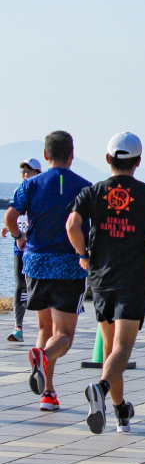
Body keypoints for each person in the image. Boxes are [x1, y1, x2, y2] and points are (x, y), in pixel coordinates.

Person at [67, 132, 145, 434]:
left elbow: (72, 225)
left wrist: (83, 255)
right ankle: (101, 388)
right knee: (122, 349)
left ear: (107, 159)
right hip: (134, 279)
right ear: (139, 162)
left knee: (112, 349)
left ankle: (120, 411)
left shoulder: (93, 192)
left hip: (100, 278)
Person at [3, 132, 91, 412]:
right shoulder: (85, 187)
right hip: (70, 265)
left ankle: (48, 393)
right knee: (63, 335)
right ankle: (42, 359)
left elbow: (10, 216)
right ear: (72, 155)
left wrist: (19, 236)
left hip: (36, 264)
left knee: (44, 328)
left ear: (45, 155)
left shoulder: (30, 185)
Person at [2, 158, 42, 342]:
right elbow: (13, 216)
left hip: (38, 247)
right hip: (20, 246)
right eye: (23, 172)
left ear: (38, 174)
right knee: (20, 285)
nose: (25, 175)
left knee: (38, 286)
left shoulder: (42, 192)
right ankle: (18, 327)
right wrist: (10, 229)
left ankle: (47, 325)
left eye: (29, 171)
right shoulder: (19, 191)